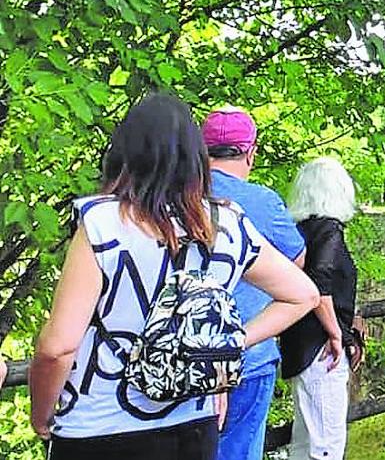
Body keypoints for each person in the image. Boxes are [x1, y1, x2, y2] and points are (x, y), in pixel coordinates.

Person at [29, 93, 318, 460]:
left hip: (98, 425)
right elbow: (303, 295)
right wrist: (222, 342)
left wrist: (42, 415)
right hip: (191, 424)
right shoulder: (225, 223)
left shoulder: (102, 224)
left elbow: (58, 347)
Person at [203, 107, 309, 460]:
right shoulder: (263, 202)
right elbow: (298, 268)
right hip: (250, 353)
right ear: (251, 151)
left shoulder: (173, 197)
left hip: (183, 358)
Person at [279, 158, 364, 460]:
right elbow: (320, 285)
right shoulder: (329, 230)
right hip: (322, 348)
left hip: (298, 343)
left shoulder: (300, 231)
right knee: (326, 441)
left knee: (305, 438)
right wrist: (338, 333)